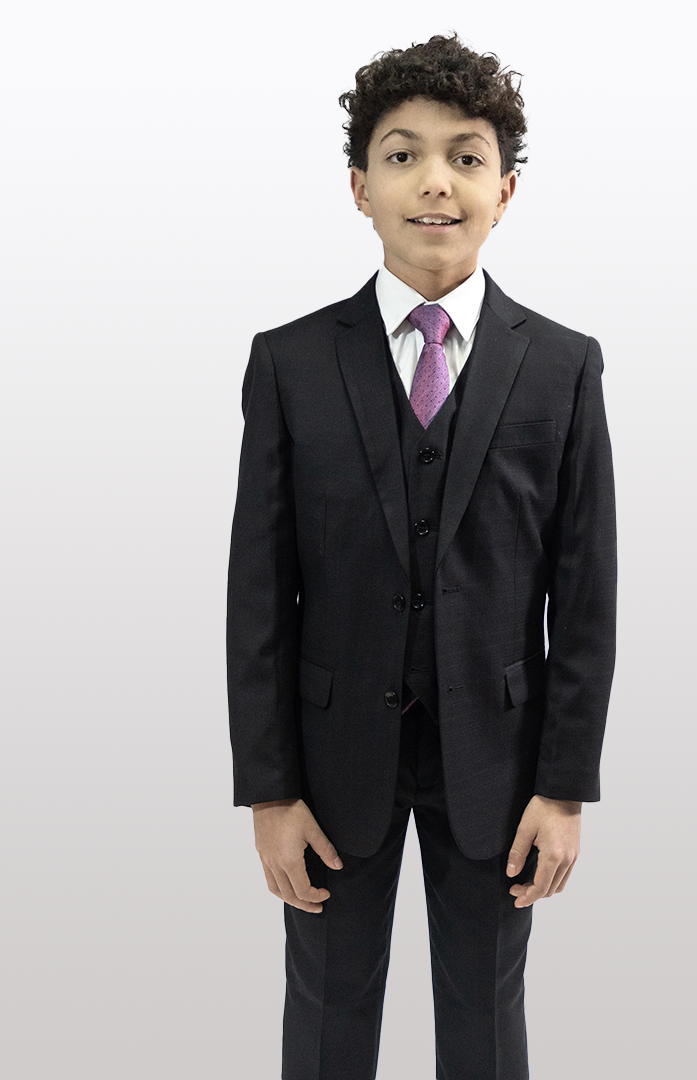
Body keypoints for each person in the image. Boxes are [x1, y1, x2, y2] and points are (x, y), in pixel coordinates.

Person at [226, 32, 616, 1080]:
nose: (434, 181)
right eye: (401, 156)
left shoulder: (564, 367)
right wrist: (268, 789)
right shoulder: (292, 362)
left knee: (486, 1013)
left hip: (500, 762)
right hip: (327, 757)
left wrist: (564, 785)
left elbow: (584, 595)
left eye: (465, 155)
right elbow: (258, 591)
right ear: (358, 186)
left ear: (507, 189)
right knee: (325, 1009)